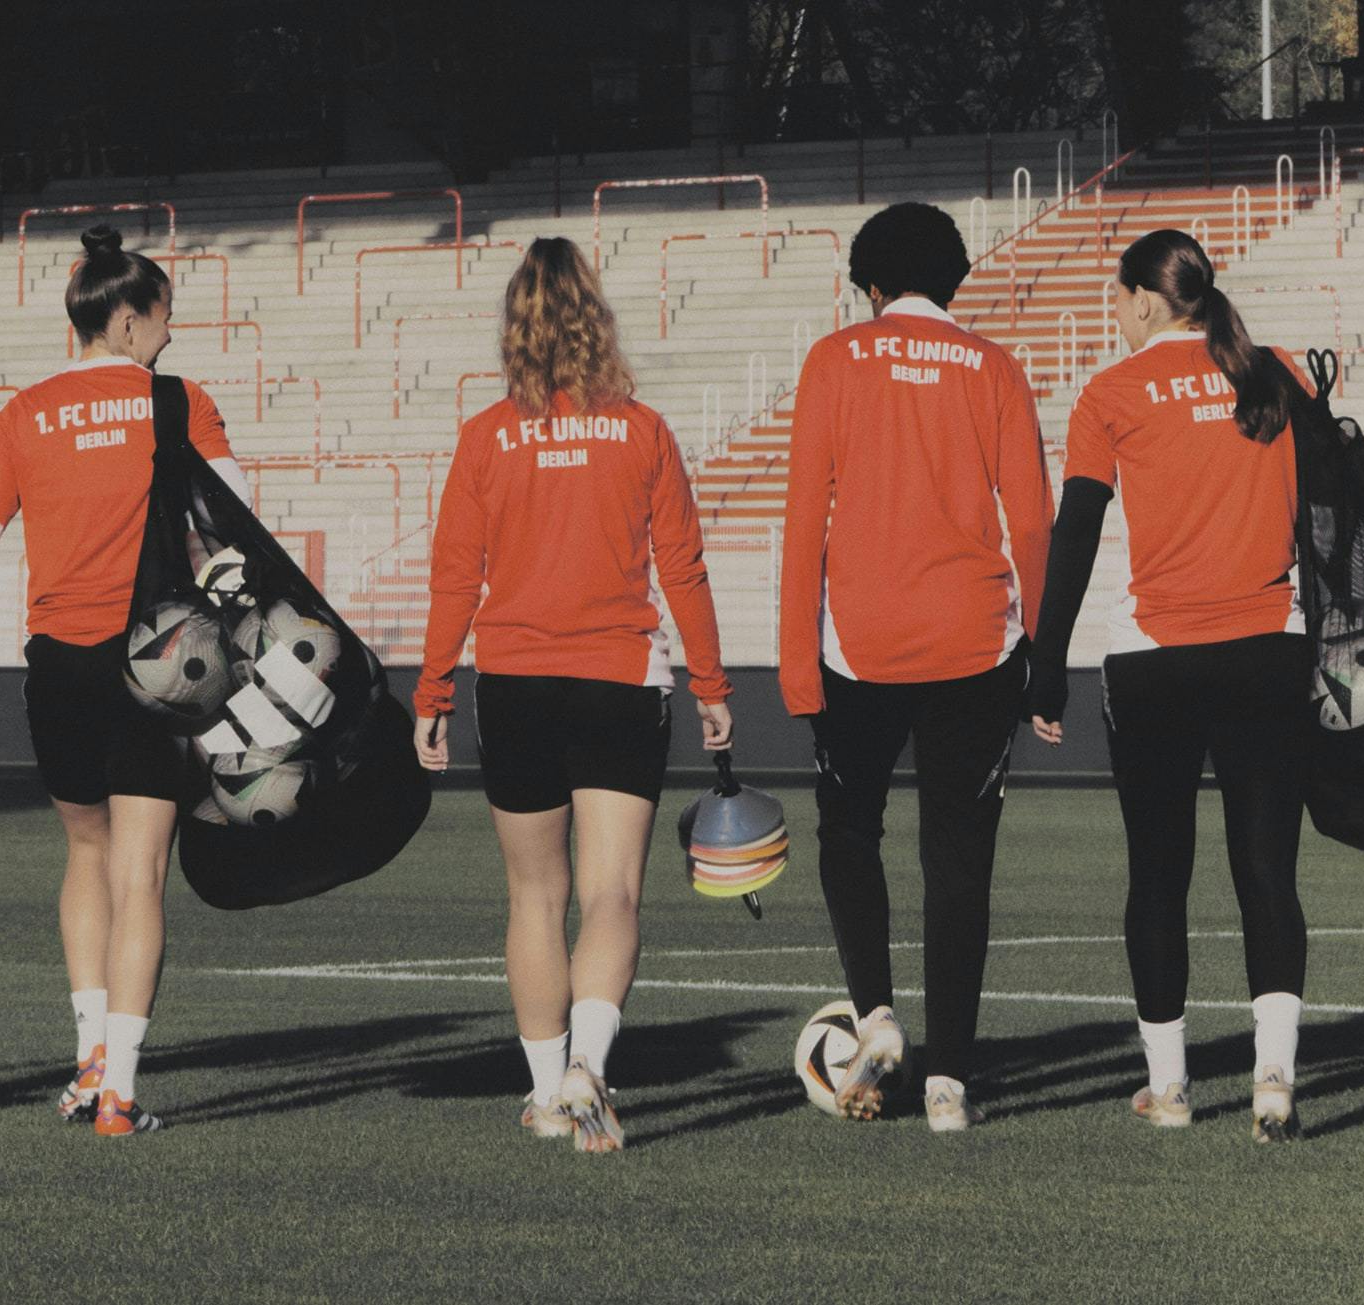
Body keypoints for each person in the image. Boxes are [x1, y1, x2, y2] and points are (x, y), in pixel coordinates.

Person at [413, 236, 733, 1154]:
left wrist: (431, 691)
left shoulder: (483, 437)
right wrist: (711, 686)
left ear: (515, 330)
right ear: (594, 319)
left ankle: (550, 1091)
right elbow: (685, 568)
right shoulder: (642, 429)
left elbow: (453, 579)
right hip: (619, 680)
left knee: (532, 896)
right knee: (612, 894)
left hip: (513, 681)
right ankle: (591, 1064)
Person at [0, 226, 246, 1138]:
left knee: (86, 855)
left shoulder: (23, 412)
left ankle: (88, 1060)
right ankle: (120, 1093)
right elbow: (238, 527)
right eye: (165, 319)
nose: (172, 336)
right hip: (158, 657)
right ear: (131, 319)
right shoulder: (180, 402)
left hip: (58, 662)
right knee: (143, 872)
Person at [1024, 227, 1311, 1143]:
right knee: (1267, 869)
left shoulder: (1111, 392)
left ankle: (1172, 1089)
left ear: (1146, 299)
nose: (1114, 313)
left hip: (1155, 658)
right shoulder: (1275, 373)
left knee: (1159, 874)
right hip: (1270, 646)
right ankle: (1273, 1077)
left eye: (1116, 297)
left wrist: (1045, 664)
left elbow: (1074, 533)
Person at [779, 201, 1052, 1132]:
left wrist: (793, 664)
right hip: (976, 643)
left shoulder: (832, 361)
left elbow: (804, 519)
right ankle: (949, 1084)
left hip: (859, 644)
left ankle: (877, 1015)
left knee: (848, 831)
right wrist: (1044, 662)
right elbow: (1033, 525)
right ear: (954, 280)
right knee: (959, 860)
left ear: (872, 286)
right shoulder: (997, 368)